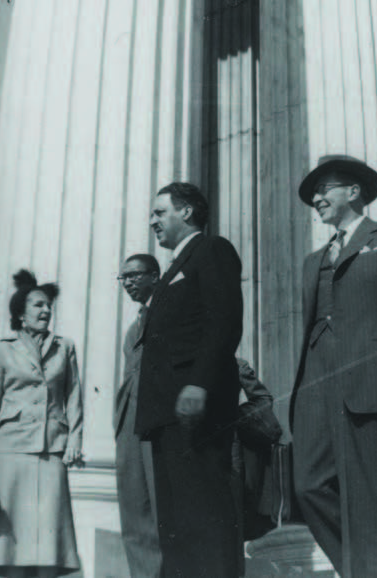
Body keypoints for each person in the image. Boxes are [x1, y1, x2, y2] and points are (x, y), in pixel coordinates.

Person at [289, 155, 377, 577]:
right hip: (316, 384)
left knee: (370, 495)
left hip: (371, 379)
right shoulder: (312, 261)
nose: (316, 199)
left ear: (352, 192)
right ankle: (360, 570)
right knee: (308, 485)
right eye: (314, 193)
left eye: (324, 189)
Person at [135, 182, 244, 577]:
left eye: (160, 212)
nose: (153, 221)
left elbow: (224, 320)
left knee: (205, 517)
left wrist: (199, 382)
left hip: (196, 408)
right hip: (166, 414)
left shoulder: (212, 251)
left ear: (186, 212)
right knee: (176, 527)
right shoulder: (170, 271)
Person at [0, 270, 83, 578]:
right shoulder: (0, 348)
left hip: (51, 449)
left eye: (48, 305)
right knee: (10, 542)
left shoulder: (65, 347)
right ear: (20, 313)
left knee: (50, 542)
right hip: (9, 450)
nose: (46, 311)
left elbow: (74, 397)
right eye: (38, 305)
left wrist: (75, 440)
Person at [114, 253, 161, 578]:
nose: (128, 282)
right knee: (134, 507)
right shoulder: (134, 328)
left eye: (134, 275)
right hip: (130, 419)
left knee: (161, 505)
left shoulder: (170, 312)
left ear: (155, 276)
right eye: (123, 278)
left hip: (159, 418)